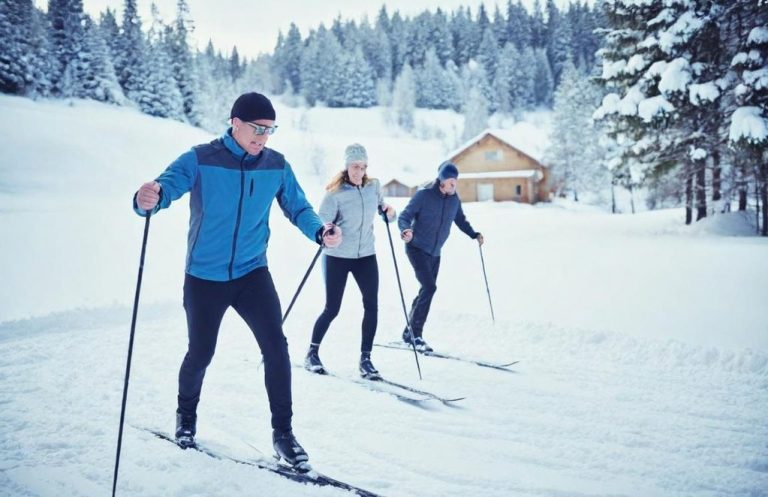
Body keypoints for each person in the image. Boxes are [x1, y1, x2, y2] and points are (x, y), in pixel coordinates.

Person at [132, 92, 342, 468]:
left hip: (251, 272)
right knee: (201, 352)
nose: (264, 136)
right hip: (204, 277)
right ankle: (186, 417)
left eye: (270, 129)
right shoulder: (200, 158)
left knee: (276, 347)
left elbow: (298, 207)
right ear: (235, 123)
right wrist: (148, 197)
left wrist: (319, 230)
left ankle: (284, 434)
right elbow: (165, 187)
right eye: (258, 128)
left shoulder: (276, 165)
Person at [304, 144, 395, 380]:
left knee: (372, 306)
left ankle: (366, 359)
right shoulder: (335, 193)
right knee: (332, 308)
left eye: (363, 167)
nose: (360, 171)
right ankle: (312, 353)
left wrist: (388, 212)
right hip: (338, 257)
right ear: (347, 166)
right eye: (356, 166)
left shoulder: (373, 186)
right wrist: (330, 230)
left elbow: (383, 208)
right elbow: (322, 221)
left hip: (366, 254)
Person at [397, 162, 484, 352]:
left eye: (456, 183)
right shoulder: (424, 195)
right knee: (429, 287)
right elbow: (404, 216)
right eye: (451, 182)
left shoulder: (454, 200)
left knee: (425, 290)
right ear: (442, 181)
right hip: (416, 248)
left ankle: (408, 332)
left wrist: (473, 234)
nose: (454, 186)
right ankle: (416, 335)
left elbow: (460, 220)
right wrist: (405, 230)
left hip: (435, 252)